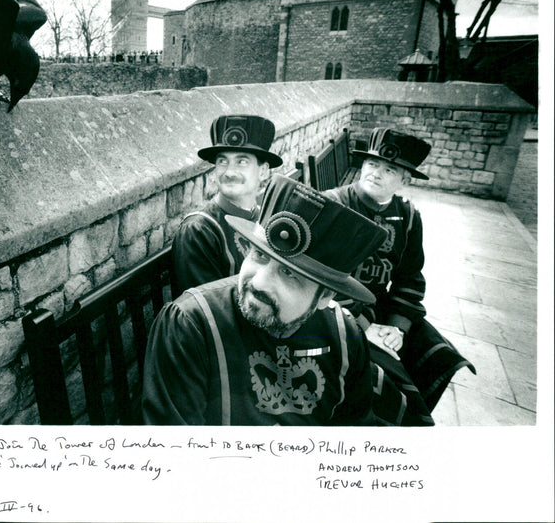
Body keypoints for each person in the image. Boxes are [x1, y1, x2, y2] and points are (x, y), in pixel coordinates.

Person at [143, 175, 388, 426]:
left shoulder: (344, 335)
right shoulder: (193, 325)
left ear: (325, 296)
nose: (259, 283)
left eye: (289, 274)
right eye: (259, 254)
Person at [325, 127, 475, 424]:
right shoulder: (334, 204)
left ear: (404, 180)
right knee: (390, 372)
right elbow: (319, 276)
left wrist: (398, 327)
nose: (376, 173)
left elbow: (410, 277)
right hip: (334, 308)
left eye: (389, 168)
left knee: (439, 355)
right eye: (372, 164)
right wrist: (362, 325)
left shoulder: (407, 216)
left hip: (380, 308)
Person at [171, 114, 282, 296]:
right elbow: (205, 310)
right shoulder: (198, 231)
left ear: (262, 171)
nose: (230, 172)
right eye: (222, 161)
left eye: (242, 162)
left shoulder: (264, 218)